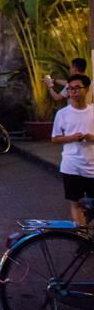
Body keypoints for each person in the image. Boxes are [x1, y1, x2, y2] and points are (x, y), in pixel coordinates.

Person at [51, 74, 94, 225]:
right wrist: (71, 138)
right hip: (71, 165)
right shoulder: (62, 113)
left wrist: (92, 138)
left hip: (92, 165)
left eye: (77, 88)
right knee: (75, 202)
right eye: (70, 89)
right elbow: (55, 138)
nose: (73, 92)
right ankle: (82, 237)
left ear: (86, 89)